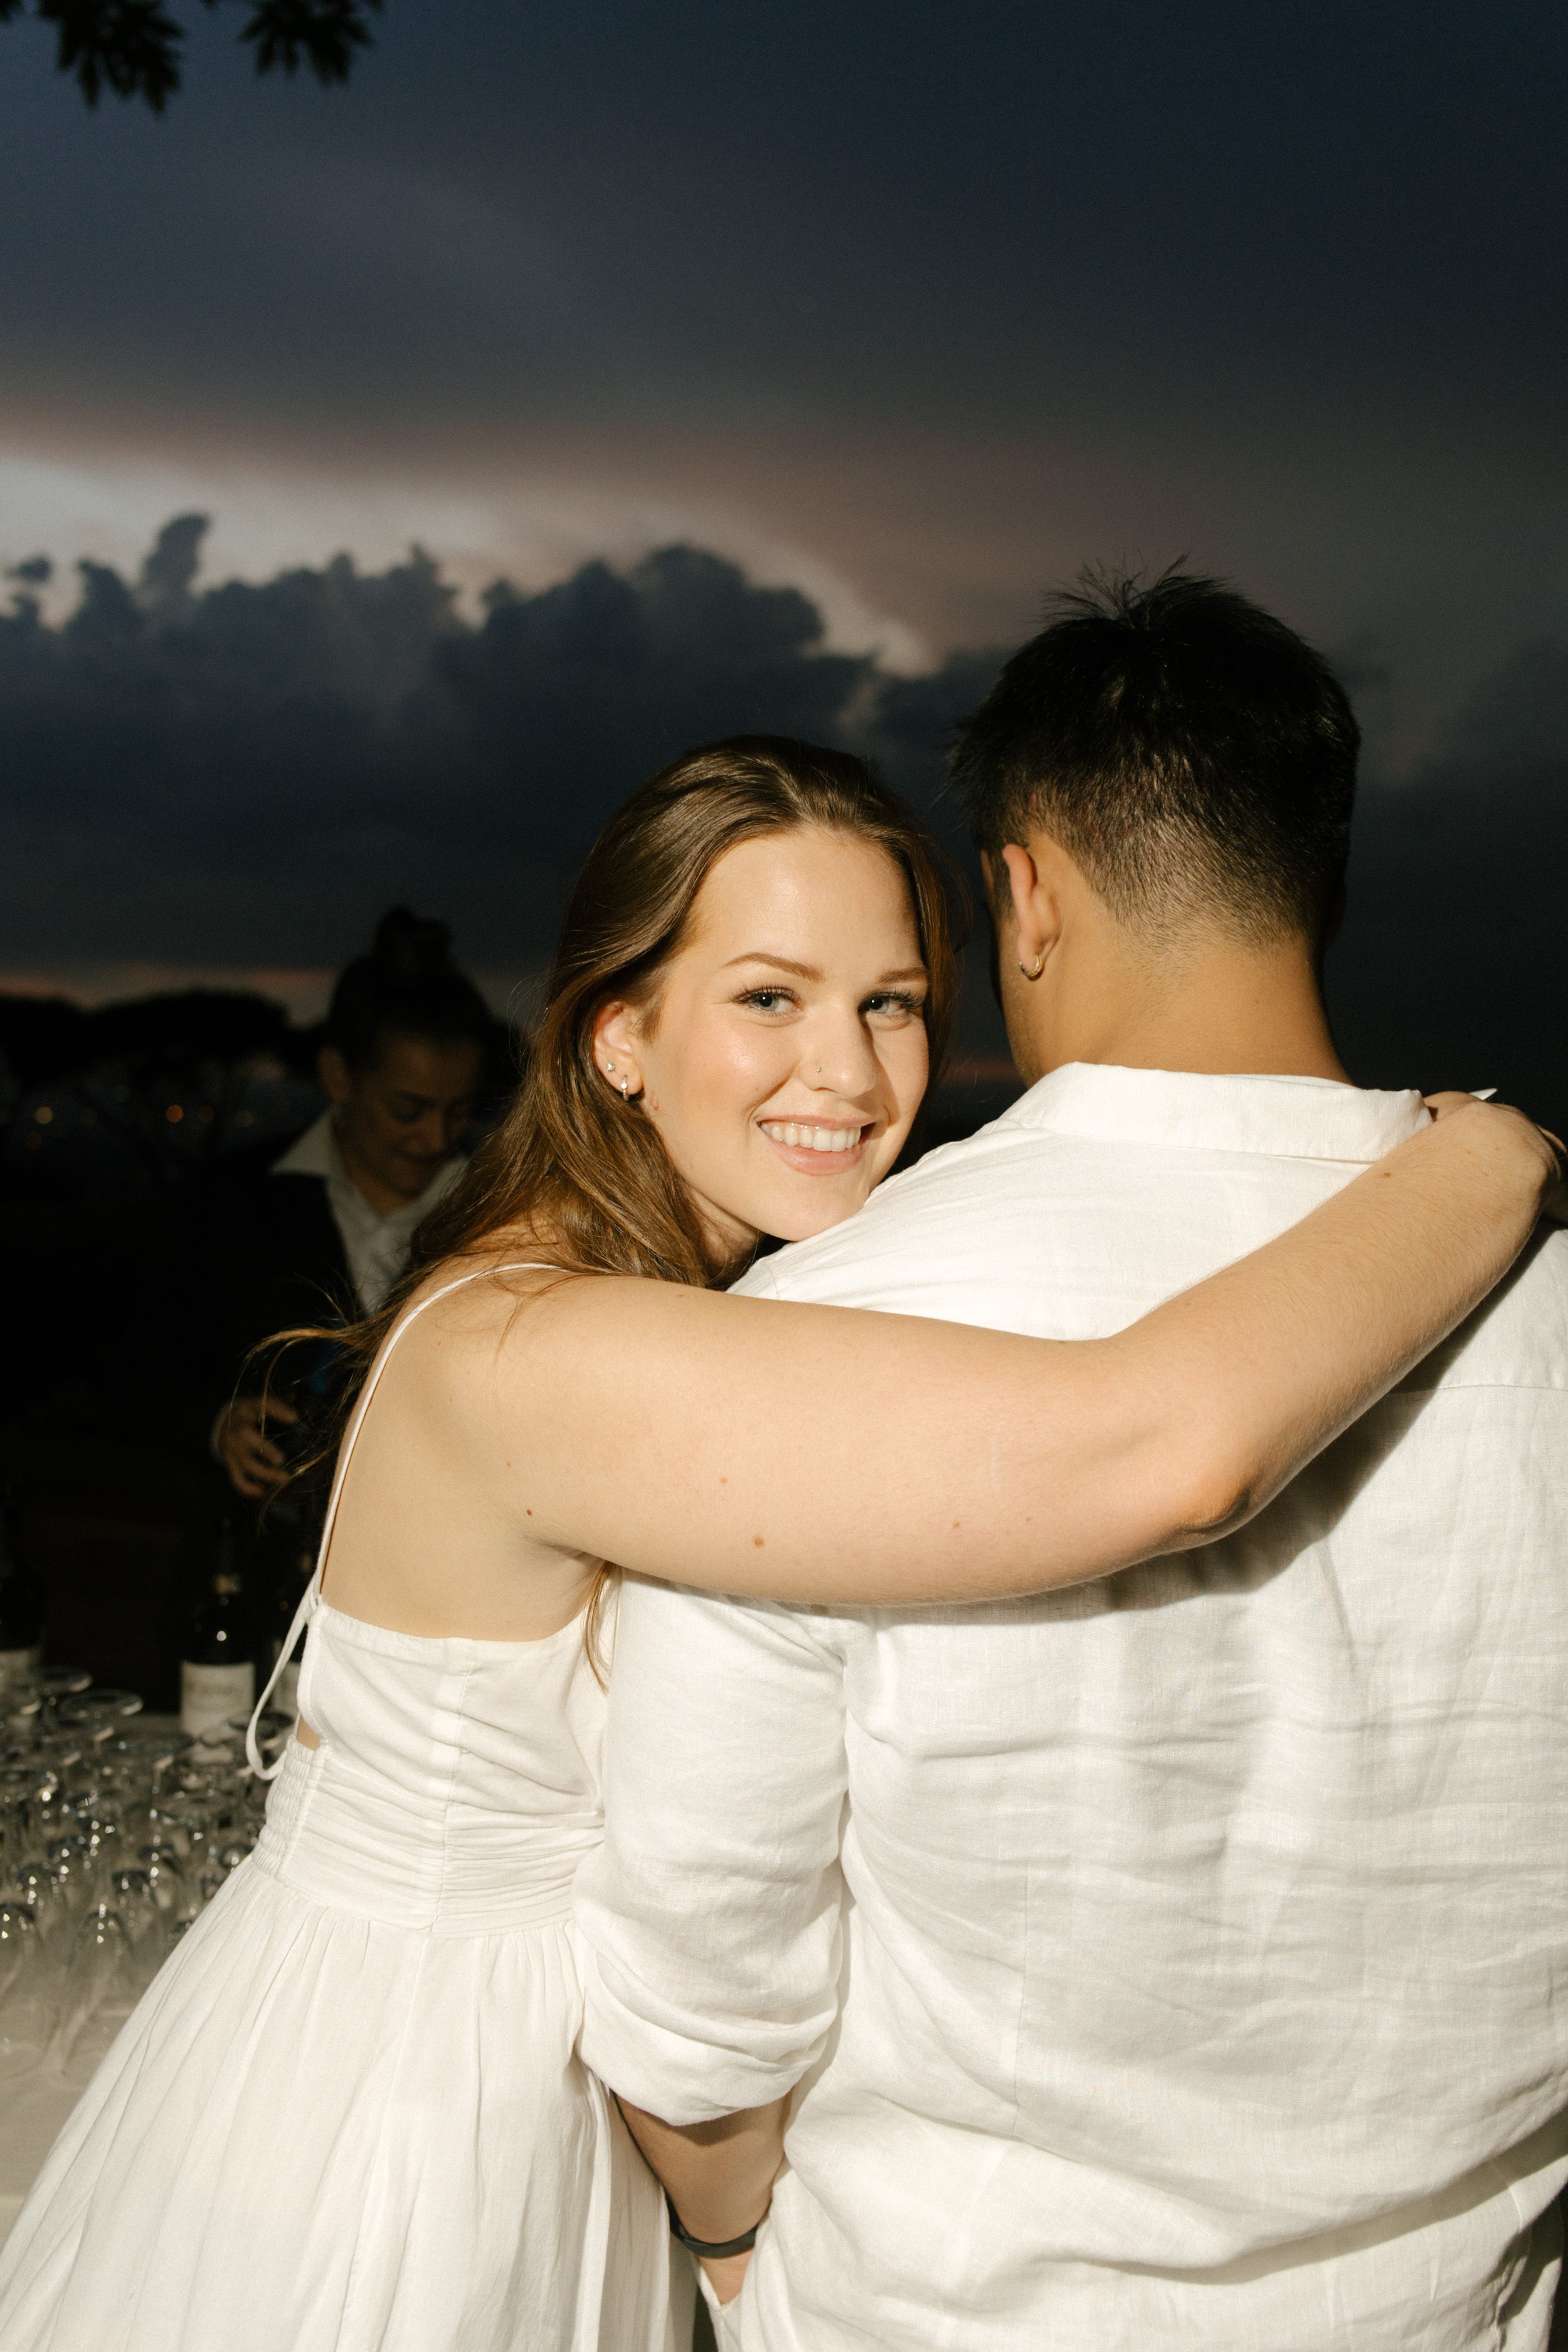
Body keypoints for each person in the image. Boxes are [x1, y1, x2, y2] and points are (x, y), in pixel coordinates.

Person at [0, 733, 1553, 2352]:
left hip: (545, 2099)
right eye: (767, 997)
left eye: (887, 1000)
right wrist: (1486, 1161)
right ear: (618, 1033)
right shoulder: (536, 1345)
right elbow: (1160, 1447)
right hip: (408, 2123)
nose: (848, 1070)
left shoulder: (656, 1305)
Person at [575, 589, 1568, 2351]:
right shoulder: (1536, 1287)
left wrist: (737, 2260)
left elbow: (699, 2011)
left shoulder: (810, 1328)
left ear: (1023, 895)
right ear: (1314, 877)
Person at [202, 906, 495, 1500]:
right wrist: (219, 1423)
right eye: (407, 1110)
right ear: (338, 1075)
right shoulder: (232, 1199)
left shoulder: (504, 1216)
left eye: (460, 1112)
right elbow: (154, 1363)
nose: (436, 1141)